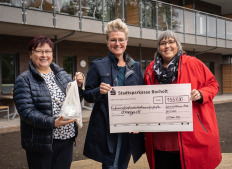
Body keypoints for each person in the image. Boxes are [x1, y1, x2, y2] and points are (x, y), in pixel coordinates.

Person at [143, 30, 222, 169]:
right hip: (160, 139)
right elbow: (145, 97)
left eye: (171, 42)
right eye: (163, 43)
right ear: (158, 48)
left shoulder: (193, 63)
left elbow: (213, 84)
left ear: (177, 45)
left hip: (189, 136)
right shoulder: (151, 69)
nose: (167, 46)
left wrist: (201, 93)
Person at [82, 18, 145, 169]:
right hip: (107, 128)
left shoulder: (136, 67)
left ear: (126, 42)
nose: (117, 43)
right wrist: (99, 91)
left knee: (122, 164)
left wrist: (140, 123)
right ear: (107, 42)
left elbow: (142, 97)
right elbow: (88, 95)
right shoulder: (98, 65)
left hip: (129, 127)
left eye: (121, 40)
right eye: (113, 40)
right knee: (111, 165)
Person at [13, 35, 84, 169]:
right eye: (39, 51)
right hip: (41, 143)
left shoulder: (62, 75)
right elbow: (26, 112)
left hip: (67, 138)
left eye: (47, 51)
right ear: (30, 54)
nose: (44, 55)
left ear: (52, 54)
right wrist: (53, 122)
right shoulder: (24, 80)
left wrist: (78, 87)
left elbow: (73, 102)